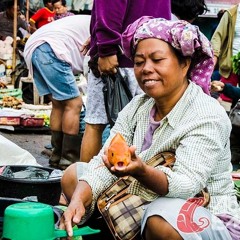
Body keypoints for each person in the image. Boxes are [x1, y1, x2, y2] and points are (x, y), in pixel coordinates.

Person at [59, 17, 240, 239]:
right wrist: (78, 198)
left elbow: (186, 184)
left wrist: (141, 170)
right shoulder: (138, 106)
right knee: (74, 176)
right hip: (139, 197)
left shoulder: (207, 114)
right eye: (139, 62)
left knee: (160, 221)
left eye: (157, 60)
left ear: (185, 64)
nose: (146, 69)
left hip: (200, 208)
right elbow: (104, 160)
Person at [80, 0, 172, 163]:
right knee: (147, 129)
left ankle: (87, 184)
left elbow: (109, 6)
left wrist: (106, 46)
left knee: (96, 124)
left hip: (120, 59)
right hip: (153, 56)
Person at [24, 15, 91, 170]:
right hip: (49, 48)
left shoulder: (92, 21)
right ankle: (69, 158)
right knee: (74, 103)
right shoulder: (104, 27)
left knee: (59, 103)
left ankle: (56, 156)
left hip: (35, 48)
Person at [211, 4, 240, 104]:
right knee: (226, 98)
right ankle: (227, 117)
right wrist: (214, 58)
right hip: (230, 64)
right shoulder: (230, 14)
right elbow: (217, 37)